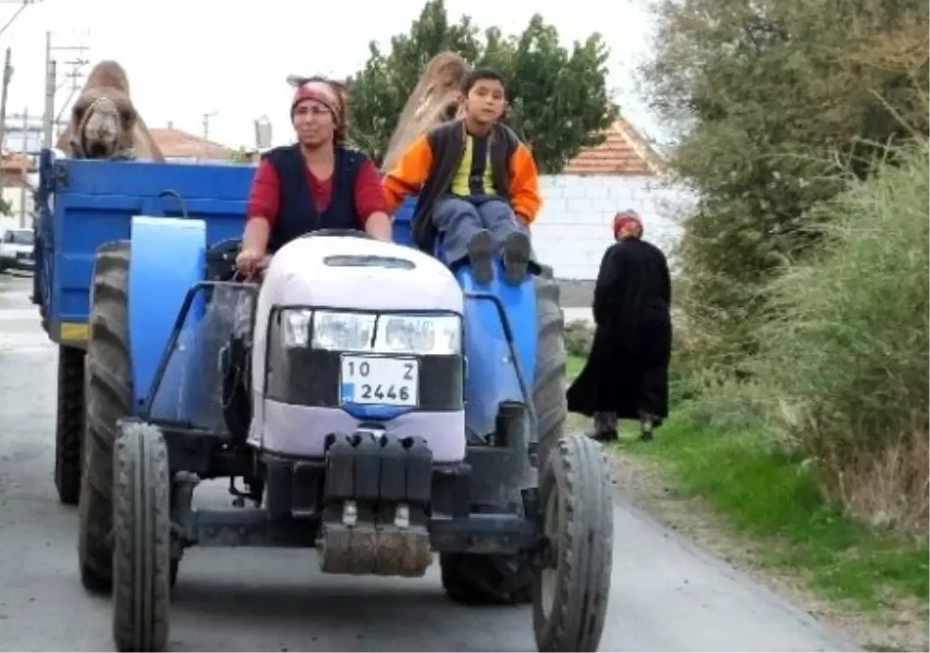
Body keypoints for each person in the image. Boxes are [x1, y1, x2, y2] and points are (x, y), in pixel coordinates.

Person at [380, 67, 543, 284]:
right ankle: (473, 253)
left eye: (497, 96)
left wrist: (520, 219)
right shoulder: (438, 139)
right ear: (464, 100)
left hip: (491, 199)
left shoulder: (510, 143)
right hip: (449, 199)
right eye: (481, 93)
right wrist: (378, 212)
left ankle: (514, 254)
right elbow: (401, 178)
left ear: (503, 106)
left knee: (501, 213)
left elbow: (526, 187)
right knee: (462, 214)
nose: (489, 101)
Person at [235, 77, 393, 276]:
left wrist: (382, 250)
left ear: (336, 120)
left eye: (317, 111)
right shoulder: (275, 163)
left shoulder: (358, 165)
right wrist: (252, 252)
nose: (308, 119)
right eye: (301, 112)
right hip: (284, 278)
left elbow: (374, 211)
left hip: (346, 277)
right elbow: (260, 213)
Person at [567, 210, 673, 443]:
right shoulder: (656, 254)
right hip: (656, 325)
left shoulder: (615, 253)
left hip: (620, 324)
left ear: (618, 230)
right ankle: (647, 426)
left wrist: (601, 318)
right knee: (650, 373)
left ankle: (607, 428)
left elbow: (605, 289)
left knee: (607, 373)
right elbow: (665, 291)